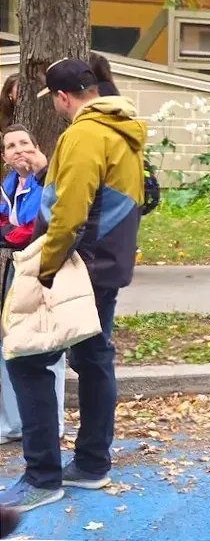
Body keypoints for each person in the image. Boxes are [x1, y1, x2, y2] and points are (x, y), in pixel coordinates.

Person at [0, 58, 145, 513]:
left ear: (63, 97)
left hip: (79, 265)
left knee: (28, 358)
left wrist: (45, 267)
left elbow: (69, 210)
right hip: (108, 264)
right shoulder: (124, 128)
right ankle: (91, 464)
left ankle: (43, 476)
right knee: (94, 355)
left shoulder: (83, 134)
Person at [0, 126, 62, 448]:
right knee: (10, 342)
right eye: (10, 146)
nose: (18, 149)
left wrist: (11, 231)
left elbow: (37, 227)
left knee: (48, 341)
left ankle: (57, 423)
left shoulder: (48, 180)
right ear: (4, 157)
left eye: (24, 143)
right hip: (17, 270)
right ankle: (12, 424)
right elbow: (8, 227)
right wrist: (12, 230)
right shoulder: (7, 185)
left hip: (47, 268)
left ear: (37, 148)